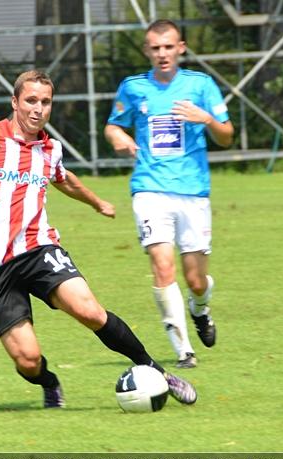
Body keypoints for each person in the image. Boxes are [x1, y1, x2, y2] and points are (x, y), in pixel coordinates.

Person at [0, 69, 197, 410]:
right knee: (27, 360)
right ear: (14, 102)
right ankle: (49, 381)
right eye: (31, 100)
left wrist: (97, 202)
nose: (38, 109)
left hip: (38, 249)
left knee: (89, 310)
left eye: (45, 102)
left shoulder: (50, 150)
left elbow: (66, 180)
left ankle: (156, 371)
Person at [104, 20, 234, 368]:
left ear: (181, 48)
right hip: (149, 189)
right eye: (155, 48)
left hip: (193, 192)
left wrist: (206, 119)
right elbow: (113, 124)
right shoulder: (133, 88)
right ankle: (183, 351)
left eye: (168, 47)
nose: (162, 54)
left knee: (194, 279)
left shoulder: (200, 85)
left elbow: (226, 136)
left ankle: (200, 308)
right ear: (147, 51)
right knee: (163, 268)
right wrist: (119, 137)